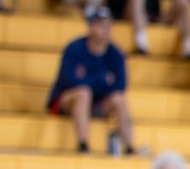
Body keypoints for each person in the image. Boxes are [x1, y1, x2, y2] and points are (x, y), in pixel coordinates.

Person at [46, 6, 135, 155]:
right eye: (101, 25)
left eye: (109, 25)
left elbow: (121, 85)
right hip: (68, 101)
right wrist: (103, 80)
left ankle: (130, 148)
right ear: (90, 27)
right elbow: (69, 81)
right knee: (83, 93)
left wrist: (88, 80)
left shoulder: (116, 54)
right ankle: (83, 144)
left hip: (97, 104)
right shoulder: (74, 48)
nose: (106, 30)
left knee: (119, 99)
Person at [107, 0, 190, 57]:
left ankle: (188, 48)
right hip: (128, 16)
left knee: (183, 2)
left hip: (154, 18)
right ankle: (141, 45)